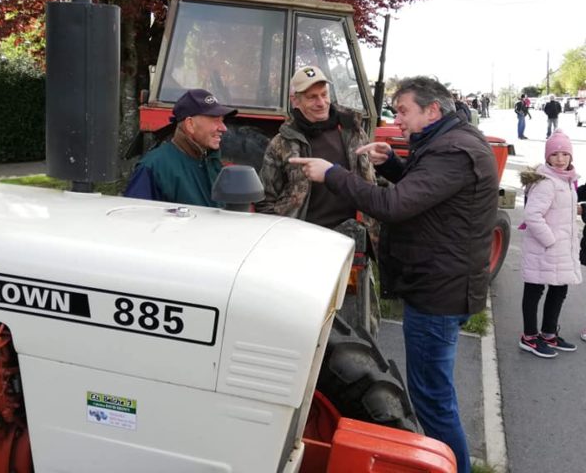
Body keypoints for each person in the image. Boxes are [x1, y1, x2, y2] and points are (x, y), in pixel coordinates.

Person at [289, 76, 498, 473]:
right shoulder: (450, 142)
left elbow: (396, 206)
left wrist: (332, 173)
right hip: (439, 284)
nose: (397, 119)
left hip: (437, 291)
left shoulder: (453, 151)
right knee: (432, 392)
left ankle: (449, 467)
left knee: (432, 399)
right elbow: (431, 197)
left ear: (432, 110)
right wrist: (398, 165)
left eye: (403, 110)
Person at [255, 65, 380, 330]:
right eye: (312, 97)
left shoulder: (352, 131)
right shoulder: (281, 143)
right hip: (304, 245)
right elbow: (265, 200)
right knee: (305, 323)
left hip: (351, 243)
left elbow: (371, 182)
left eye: (324, 94)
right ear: (295, 101)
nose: (321, 102)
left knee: (360, 323)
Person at [518, 130, 581, 357]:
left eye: (565, 154)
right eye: (555, 154)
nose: (561, 159)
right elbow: (532, 215)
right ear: (548, 157)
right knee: (535, 290)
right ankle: (529, 336)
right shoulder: (547, 182)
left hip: (561, 249)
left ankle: (548, 333)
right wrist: (550, 240)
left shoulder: (567, 180)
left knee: (559, 289)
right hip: (545, 249)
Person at [124, 89, 236, 206]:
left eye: (222, 121)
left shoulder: (212, 161)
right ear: (190, 124)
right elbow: (135, 218)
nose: (224, 128)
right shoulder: (153, 167)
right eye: (215, 120)